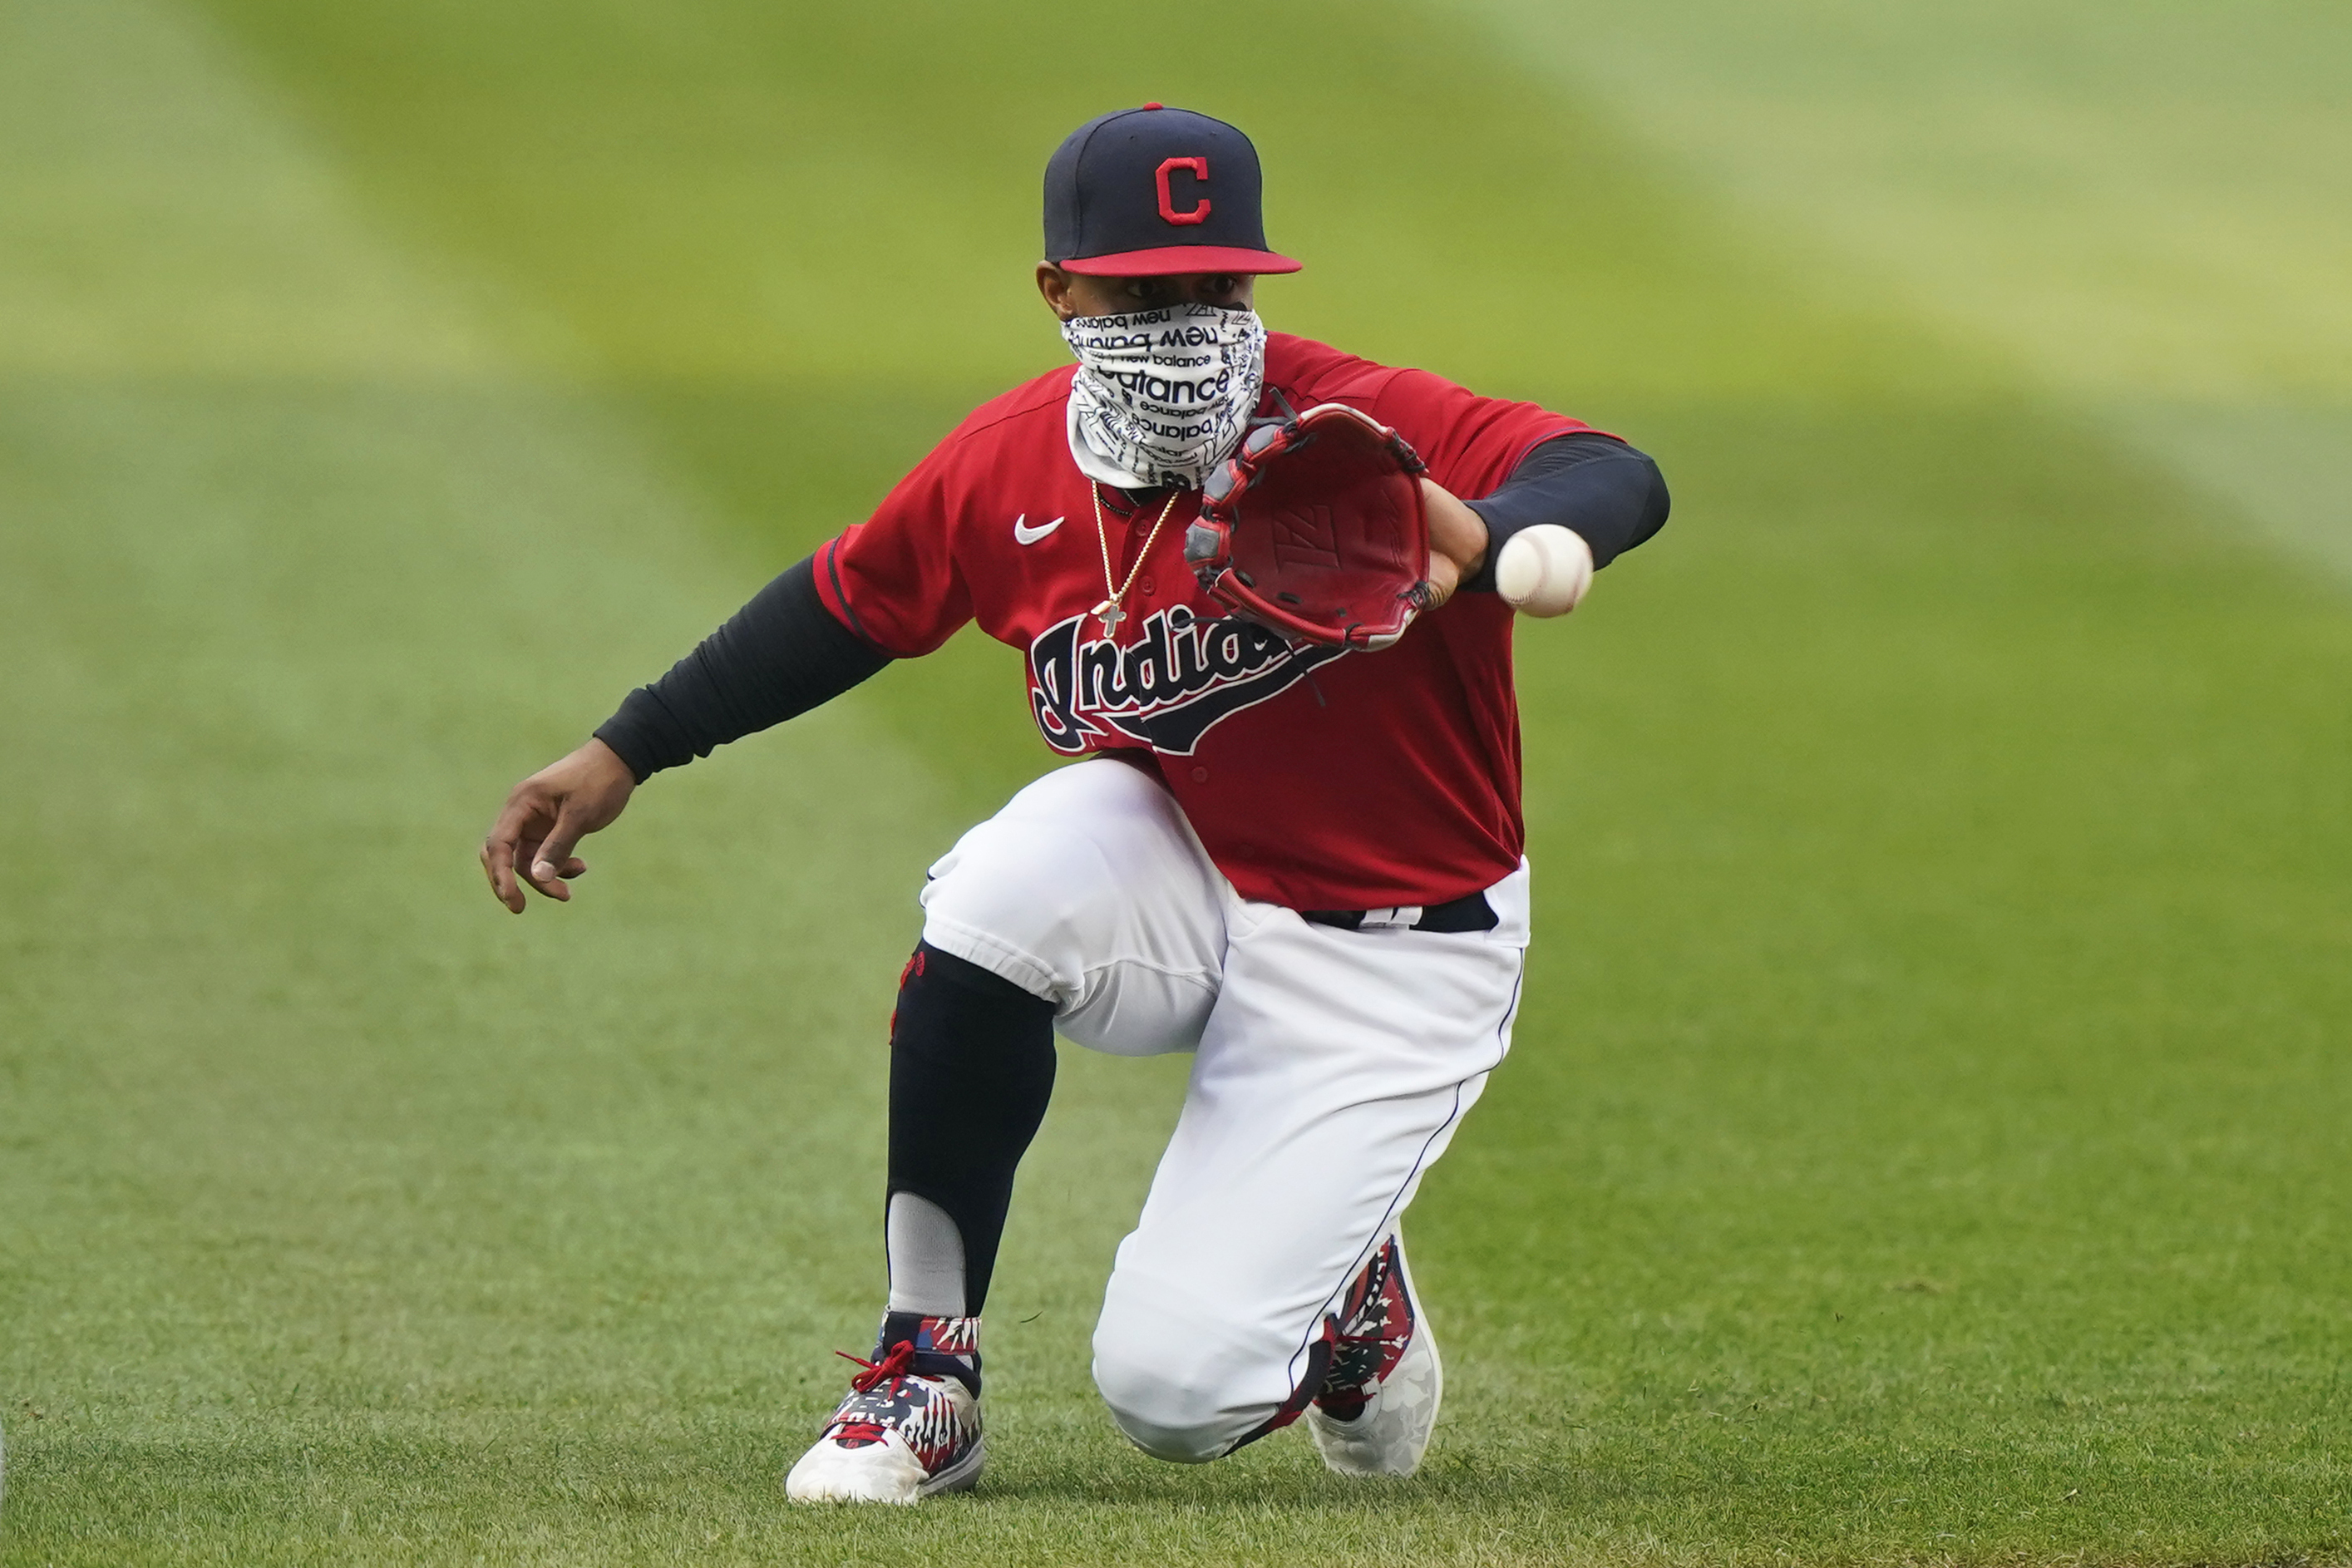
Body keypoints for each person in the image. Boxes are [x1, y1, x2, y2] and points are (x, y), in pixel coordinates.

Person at [481, 104, 1669, 1503]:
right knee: (992, 897)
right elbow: (842, 603)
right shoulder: (1011, 461)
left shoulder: (1363, 424)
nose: (1186, 317)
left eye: (1217, 287)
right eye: (1142, 290)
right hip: (1185, 867)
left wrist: (1512, 539)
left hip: (1394, 946)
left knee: (1175, 1397)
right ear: (1058, 292)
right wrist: (627, 747)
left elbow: (1611, 468)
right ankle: (926, 1373)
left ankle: (1347, 1287)